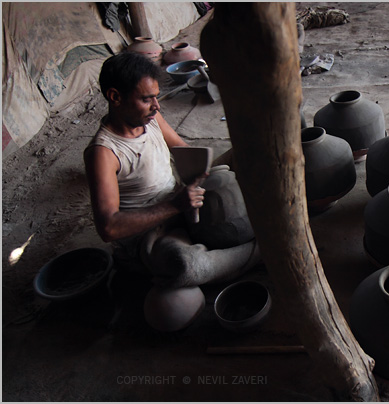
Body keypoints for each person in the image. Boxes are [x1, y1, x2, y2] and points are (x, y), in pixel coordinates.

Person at [84, 52, 260, 288]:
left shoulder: (151, 118)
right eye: (147, 99)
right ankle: (261, 249)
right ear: (115, 97)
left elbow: (184, 151)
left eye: (156, 97)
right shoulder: (104, 153)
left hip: (179, 202)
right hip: (150, 233)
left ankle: (237, 249)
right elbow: (109, 227)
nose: (156, 106)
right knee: (185, 264)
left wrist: (202, 177)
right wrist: (175, 205)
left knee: (246, 151)